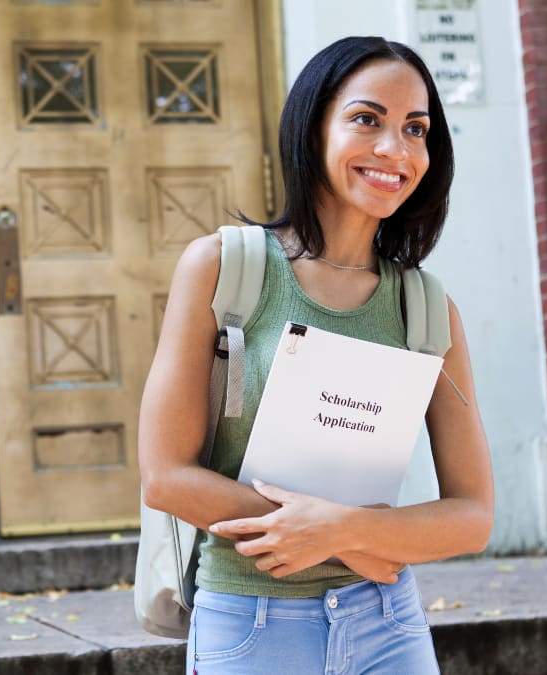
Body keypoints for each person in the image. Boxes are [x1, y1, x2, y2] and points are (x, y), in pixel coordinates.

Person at [137, 36, 494, 674]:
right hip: (249, 627)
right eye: (366, 119)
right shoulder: (224, 267)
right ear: (312, 128)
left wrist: (341, 531)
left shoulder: (427, 307)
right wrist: (355, 539)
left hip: (390, 625)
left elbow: (472, 516)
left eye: (416, 129)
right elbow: (166, 475)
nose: (395, 149)